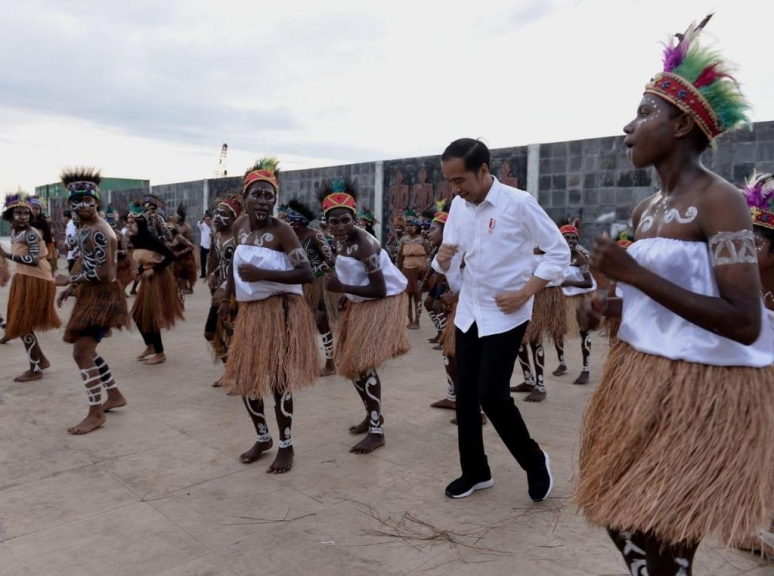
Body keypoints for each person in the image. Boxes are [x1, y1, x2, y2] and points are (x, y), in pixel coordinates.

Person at [575, 17, 774, 575]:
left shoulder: (721, 200)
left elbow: (744, 321)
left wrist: (635, 277)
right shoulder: (646, 210)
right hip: (639, 376)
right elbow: (659, 303)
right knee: (616, 507)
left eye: (644, 113)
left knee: (668, 531)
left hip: (697, 384)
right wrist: (606, 307)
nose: (627, 126)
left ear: (682, 122)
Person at [433, 138, 569, 500]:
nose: (455, 190)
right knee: (465, 394)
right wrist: (443, 261)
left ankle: (534, 460)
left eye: (460, 180)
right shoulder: (460, 208)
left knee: (492, 395)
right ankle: (475, 471)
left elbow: (560, 254)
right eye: (449, 182)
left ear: (483, 170)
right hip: (469, 312)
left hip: (507, 314)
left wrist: (526, 291)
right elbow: (450, 261)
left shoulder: (519, 204)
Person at [220, 158, 319, 473]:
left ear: (275, 199)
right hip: (250, 313)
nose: (263, 200)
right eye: (257, 194)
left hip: (281, 311)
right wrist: (228, 296)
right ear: (245, 196)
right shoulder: (239, 226)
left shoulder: (283, 231)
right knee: (247, 379)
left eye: (269, 195)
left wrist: (261, 273)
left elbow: (306, 273)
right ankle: (262, 437)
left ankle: (286, 445)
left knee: (278, 381)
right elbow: (237, 263)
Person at [320, 178, 410, 454]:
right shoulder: (341, 241)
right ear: (326, 223)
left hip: (383, 301)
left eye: (344, 220)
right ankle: (373, 415)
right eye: (333, 221)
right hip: (363, 301)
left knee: (363, 365)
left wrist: (343, 288)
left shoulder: (364, 243)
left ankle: (376, 431)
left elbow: (380, 288)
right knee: (353, 364)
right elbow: (358, 275)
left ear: (355, 218)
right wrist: (350, 295)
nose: (339, 226)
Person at [56, 168, 131, 435]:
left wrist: (69, 280)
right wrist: (73, 286)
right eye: (77, 201)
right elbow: (90, 263)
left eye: (88, 200)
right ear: (71, 204)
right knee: (88, 350)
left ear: (96, 201)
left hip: (101, 296)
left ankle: (96, 413)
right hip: (91, 293)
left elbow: (104, 273)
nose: (83, 205)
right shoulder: (86, 228)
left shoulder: (98, 230)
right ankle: (114, 395)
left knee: (81, 353)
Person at [0, 194, 60, 381]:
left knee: (23, 324)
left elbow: (33, 260)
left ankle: (35, 370)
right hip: (24, 277)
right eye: (18, 213)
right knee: (21, 322)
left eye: (26, 213)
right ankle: (40, 361)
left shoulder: (31, 233)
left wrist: (7, 256)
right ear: (10, 215)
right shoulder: (14, 231)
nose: (23, 216)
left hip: (37, 279)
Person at [286, 198, 340, 377]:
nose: (288, 224)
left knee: (320, 321)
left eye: (290, 222)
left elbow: (331, 260)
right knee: (307, 323)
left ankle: (331, 362)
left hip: (322, 284)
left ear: (298, 223)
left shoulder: (314, 235)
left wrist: (314, 271)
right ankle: (309, 360)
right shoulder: (292, 239)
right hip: (305, 286)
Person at [126, 209, 185, 366]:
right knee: (138, 315)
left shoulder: (151, 238)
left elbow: (170, 256)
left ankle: (160, 353)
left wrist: (153, 270)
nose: (129, 226)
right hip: (147, 278)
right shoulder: (137, 239)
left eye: (132, 223)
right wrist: (138, 271)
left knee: (150, 315)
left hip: (158, 279)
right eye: (128, 222)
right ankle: (150, 346)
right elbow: (146, 259)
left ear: (141, 224)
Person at [512, 249, 567, 403]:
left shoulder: (547, 244)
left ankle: (540, 385)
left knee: (535, 340)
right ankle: (528, 381)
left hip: (543, 295)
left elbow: (552, 254)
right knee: (520, 339)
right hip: (524, 293)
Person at [552, 225, 596, 385]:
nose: (570, 240)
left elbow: (588, 282)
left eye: (573, 238)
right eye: (567, 237)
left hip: (578, 300)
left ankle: (585, 369)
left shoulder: (580, 258)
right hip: (561, 300)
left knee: (584, 332)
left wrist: (569, 282)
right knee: (557, 331)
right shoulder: (555, 256)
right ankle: (562, 363)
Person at [205, 194, 241, 387]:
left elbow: (240, 266)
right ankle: (231, 370)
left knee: (237, 337)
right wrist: (214, 273)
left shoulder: (239, 239)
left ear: (234, 218)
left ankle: (243, 379)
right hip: (221, 294)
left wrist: (228, 287)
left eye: (223, 214)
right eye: (217, 213)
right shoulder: (218, 237)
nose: (217, 217)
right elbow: (224, 263)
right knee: (211, 333)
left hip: (237, 294)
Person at [397, 209, 429, 330]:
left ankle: (417, 321)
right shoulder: (403, 240)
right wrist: (399, 270)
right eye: (408, 225)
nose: (409, 228)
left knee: (417, 295)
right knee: (407, 297)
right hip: (406, 270)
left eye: (412, 225)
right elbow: (399, 255)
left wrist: (425, 267)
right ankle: (410, 320)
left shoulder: (422, 240)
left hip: (419, 271)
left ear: (417, 227)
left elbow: (429, 255)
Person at [172, 204, 197, 295]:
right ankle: (184, 287)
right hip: (179, 254)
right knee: (181, 272)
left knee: (187, 272)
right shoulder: (178, 227)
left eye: (176, 218)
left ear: (180, 219)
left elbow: (191, 243)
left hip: (186, 254)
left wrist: (181, 252)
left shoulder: (186, 228)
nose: (175, 219)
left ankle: (190, 288)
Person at [28, 197, 58, 272]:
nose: (34, 210)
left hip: (43, 248)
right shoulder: (26, 221)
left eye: (37, 208)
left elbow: (48, 238)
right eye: (33, 208)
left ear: (40, 210)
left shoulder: (42, 222)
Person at [198, 212, 212, 278]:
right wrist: (202, 218)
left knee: (210, 261)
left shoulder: (212, 226)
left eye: (209, 220)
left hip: (210, 246)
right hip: (203, 245)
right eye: (206, 220)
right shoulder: (203, 225)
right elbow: (199, 225)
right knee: (203, 261)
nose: (207, 221)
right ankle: (203, 274)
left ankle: (210, 273)